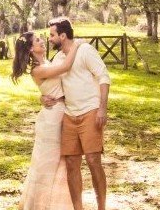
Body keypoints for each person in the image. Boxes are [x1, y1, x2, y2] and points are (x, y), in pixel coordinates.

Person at [11, 31, 81, 210]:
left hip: (59, 112)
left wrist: (42, 97)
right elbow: (65, 67)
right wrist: (76, 45)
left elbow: (54, 84)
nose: (42, 41)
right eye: (37, 40)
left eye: (41, 38)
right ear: (30, 49)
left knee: (60, 161)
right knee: (48, 163)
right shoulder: (37, 70)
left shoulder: (47, 62)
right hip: (52, 119)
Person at [46, 18, 111, 210]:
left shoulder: (85, 50)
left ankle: (101, 208)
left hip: (90, 111)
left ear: (62, 36)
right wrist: (44, 98)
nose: (50, 39)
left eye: (52, 35)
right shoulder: (58, 59)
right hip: (69, 115)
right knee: (72, 164)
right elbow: (53, 86)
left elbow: (104, 77)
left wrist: (102, 108)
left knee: (93, 161)